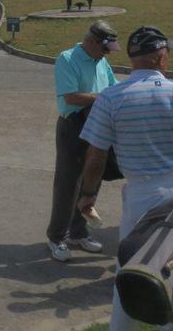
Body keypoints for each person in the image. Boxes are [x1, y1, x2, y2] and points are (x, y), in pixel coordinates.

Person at [77, 26, 173, 331]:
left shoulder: (110, 98)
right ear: (159, 57)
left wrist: (88, 195)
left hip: (139, 197)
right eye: (167, 53)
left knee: (129, 270)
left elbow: (95, 158)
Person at [46, 21, 120, 262]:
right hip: (73, 125)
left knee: (92, 179)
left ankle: (78, 232)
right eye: (105, 48)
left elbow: (113, 87)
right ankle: (57, 237)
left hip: (97, 122)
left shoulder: (101, 60)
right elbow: (72, 97)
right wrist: (105, 97)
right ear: (92, 41)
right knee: (68, 183)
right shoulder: (67, 59)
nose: (107, 53)